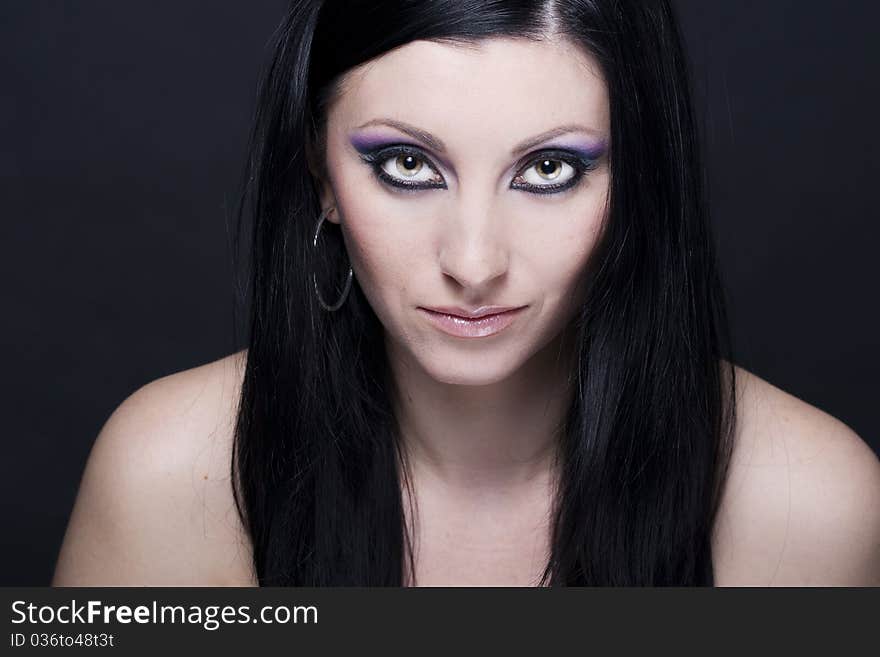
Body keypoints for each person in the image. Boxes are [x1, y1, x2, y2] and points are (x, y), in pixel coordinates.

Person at [52, 0, 880, 587]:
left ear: (636, 179)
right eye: (408, 165)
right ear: (321, 171)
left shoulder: (812, 505)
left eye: (549, 169)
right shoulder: (166, 475)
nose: (475, 260)